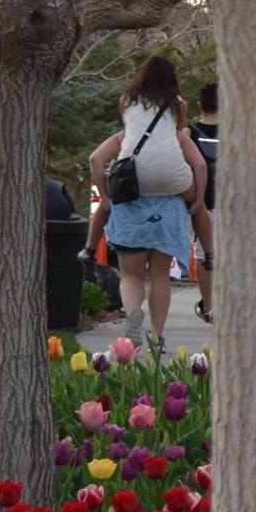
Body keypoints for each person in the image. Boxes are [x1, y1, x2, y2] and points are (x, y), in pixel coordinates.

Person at [80, 54, 205, 351]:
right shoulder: (177, 103)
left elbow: (96, 160)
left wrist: (106, 196)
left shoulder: (126, 100)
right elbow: (199, 165)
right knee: (160, 277)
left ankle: (133, 316)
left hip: (131, 198)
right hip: (169, 200)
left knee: (131, 276)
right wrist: (198, 199)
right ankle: (158, 337)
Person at [186, 82, 219, 323]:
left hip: (201, 204)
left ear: (200, 104)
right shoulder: (237, 130)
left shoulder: (190, 133)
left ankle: (208, 306)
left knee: (204, 255)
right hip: (232, 203)